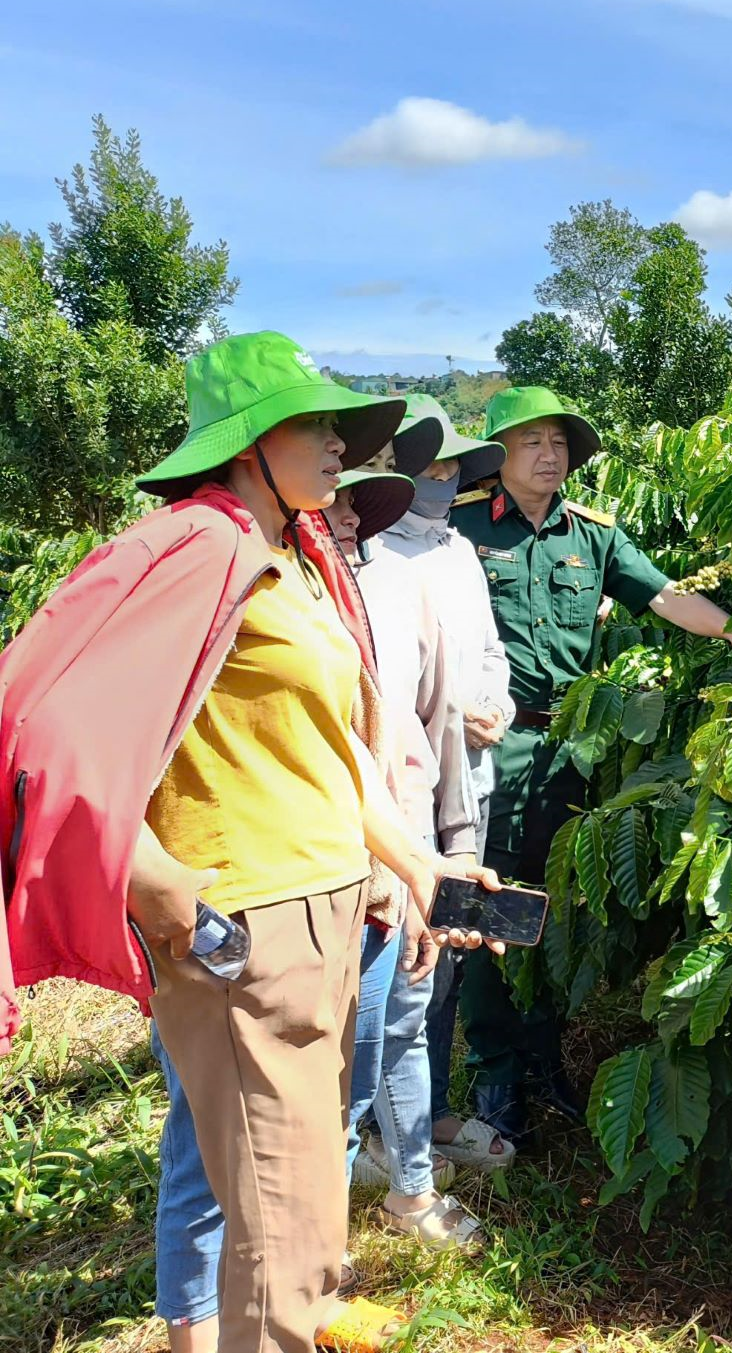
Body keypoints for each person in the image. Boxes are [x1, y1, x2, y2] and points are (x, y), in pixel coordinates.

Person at [0, 331, 501, 1353]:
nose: (333, 444)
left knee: (307, 1208)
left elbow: (316, 756)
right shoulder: (199, 544)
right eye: (309, 425)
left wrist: (418, 864)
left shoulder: (291, 556)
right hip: (251, 924)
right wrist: (156, 882)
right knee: (279, 1233)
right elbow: (39, 720)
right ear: (244, 445)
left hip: (318, 909)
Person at [450, 386, 732, 1140]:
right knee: (488, 899)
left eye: (559, 443)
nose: (549, 456)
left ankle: (545, 1053)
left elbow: (663, 596)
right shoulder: (457, 531)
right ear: (499, 454)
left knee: (557, 900)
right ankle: (494, 1071)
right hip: (489, 742)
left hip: (571, 746)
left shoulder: (593, 537)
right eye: (531, 443)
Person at [328, 466, 488, 1249]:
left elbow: (439, 719)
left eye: (359, 497)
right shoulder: (285, 599)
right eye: (337, 494)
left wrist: (449, 845)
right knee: (341, 1058)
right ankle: (318, 1229)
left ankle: (412, 1186)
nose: (349, 512)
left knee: (408, 1018)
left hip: (408, 849)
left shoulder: (399, 583)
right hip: (337, 865)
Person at [375, 395, 519, 1172]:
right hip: (410, 788)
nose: (441, 478)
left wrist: (492, 703)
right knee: (406, 948)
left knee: (451, 944)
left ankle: (423, 1109)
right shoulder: (375, 553)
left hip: (474, 781)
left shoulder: (460, 551)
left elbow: (489, 649)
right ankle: (379, 1122)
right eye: (426, 465)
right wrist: (448, 716)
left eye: (450, 467)